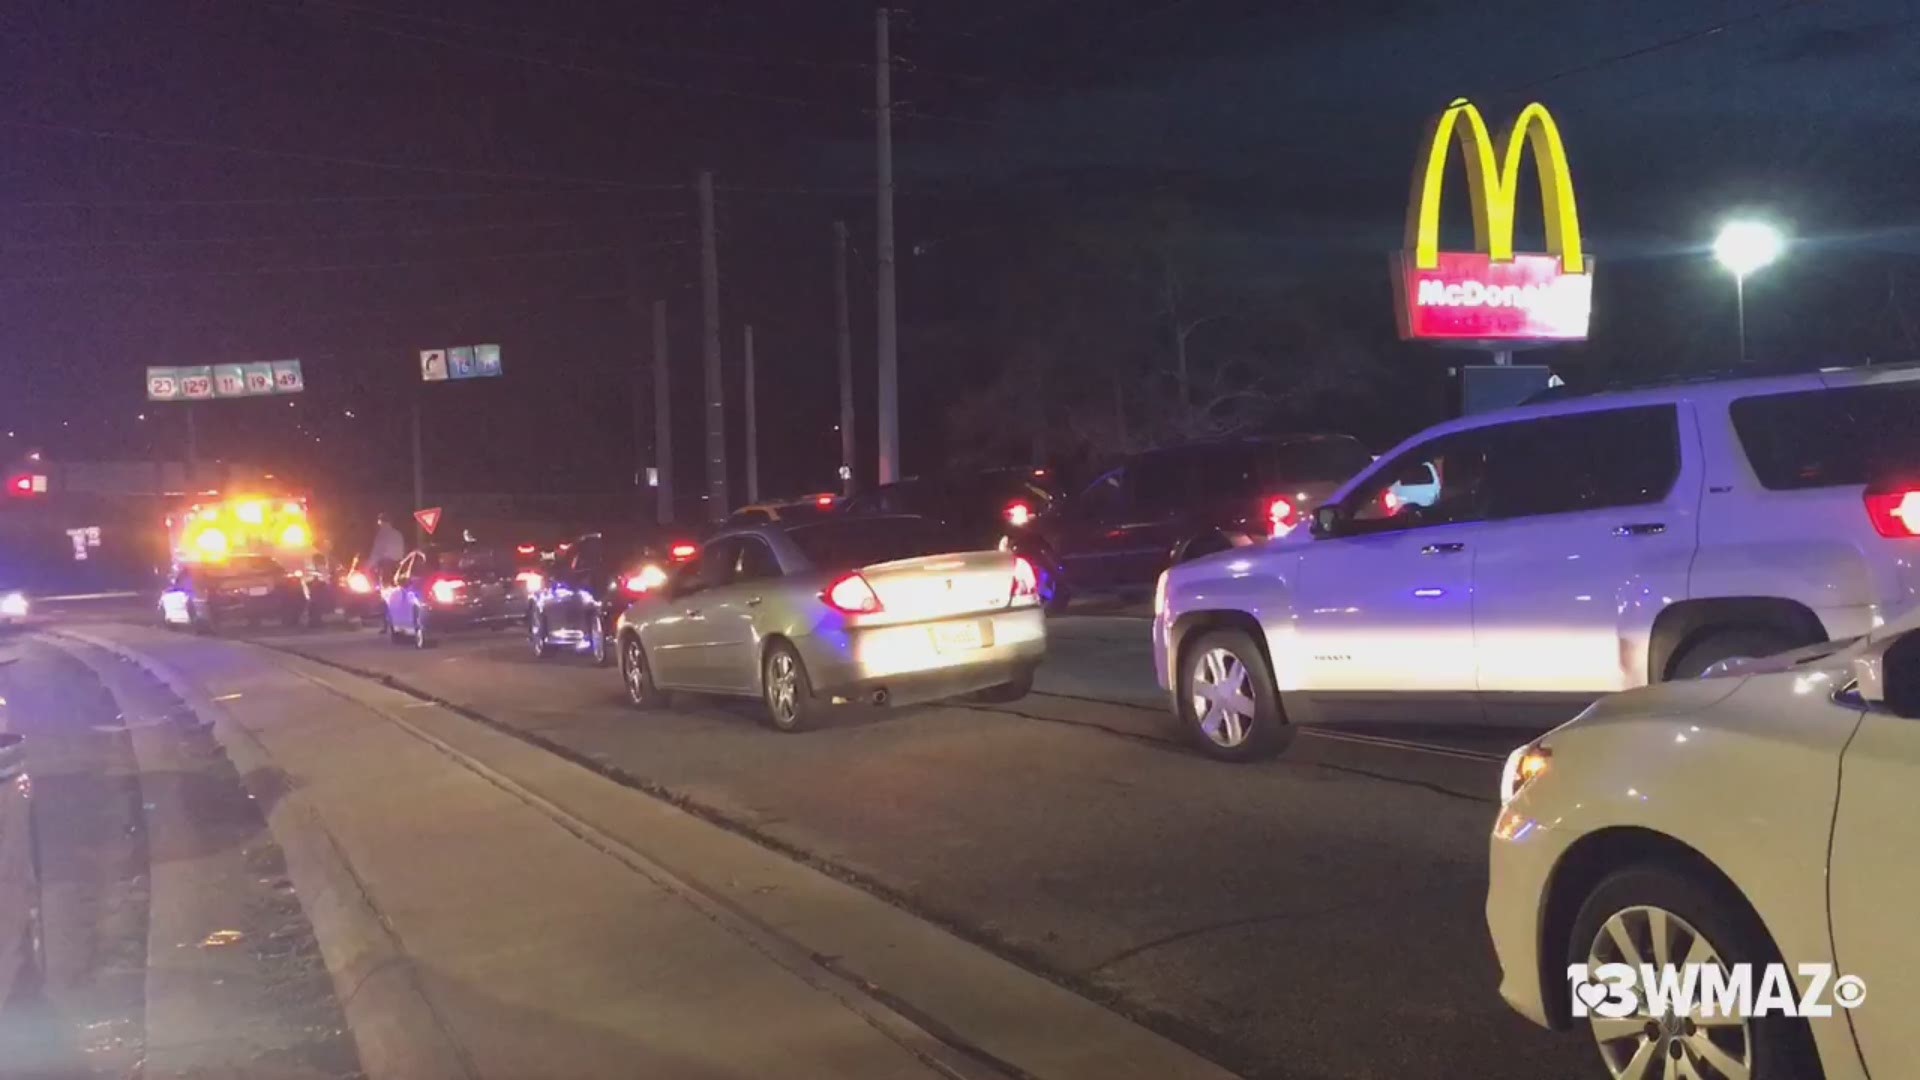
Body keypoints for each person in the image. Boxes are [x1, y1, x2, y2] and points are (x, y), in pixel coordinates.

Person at [369, 513, 406, 578]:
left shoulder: (382, 534)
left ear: (381, 522)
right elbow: (401, 553)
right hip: (399, 567)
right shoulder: (398, 534)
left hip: (385, 568)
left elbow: (376, 553)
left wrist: (368, 566)